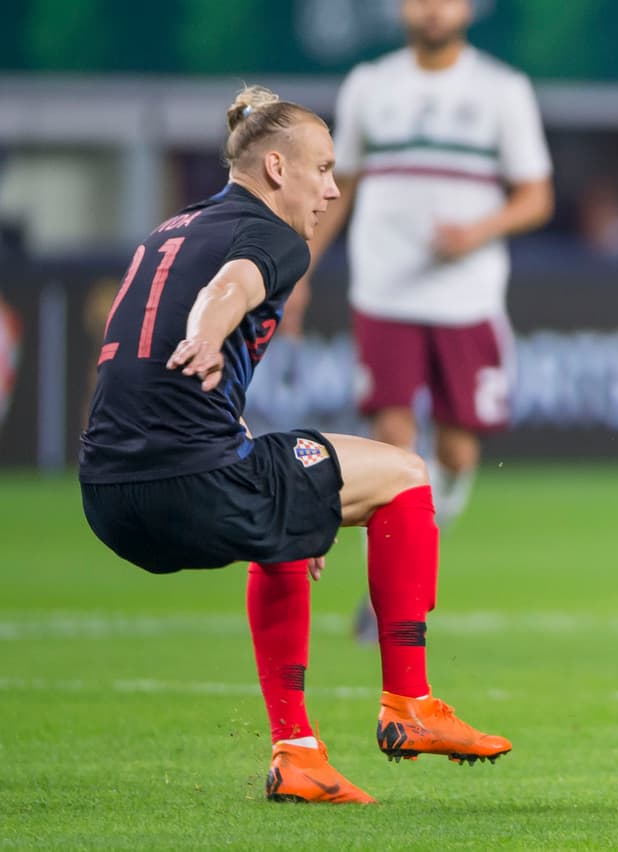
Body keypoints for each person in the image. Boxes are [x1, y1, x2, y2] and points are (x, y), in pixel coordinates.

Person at [79, 85, 510, 806]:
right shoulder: (275, 236)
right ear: (276, 168)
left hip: (106, 498)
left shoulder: (169, 229)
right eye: (324, 170)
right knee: (405, 472)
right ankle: (410, 703)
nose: (333, 191)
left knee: (288, 516)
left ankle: (299, 753)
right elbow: (231, 286)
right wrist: (208, 332)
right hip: (191, 483)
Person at [284, 0, 553, 537]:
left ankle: (428, 539)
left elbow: (536, 197)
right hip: (385, 290)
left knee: (456, 450)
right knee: (390, 436)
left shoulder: (502, 89)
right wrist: (299, 270)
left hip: (465, 295)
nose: (433, 9)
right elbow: (340, 187)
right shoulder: (370, 84)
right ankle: (381, 582)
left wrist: (475, 233)